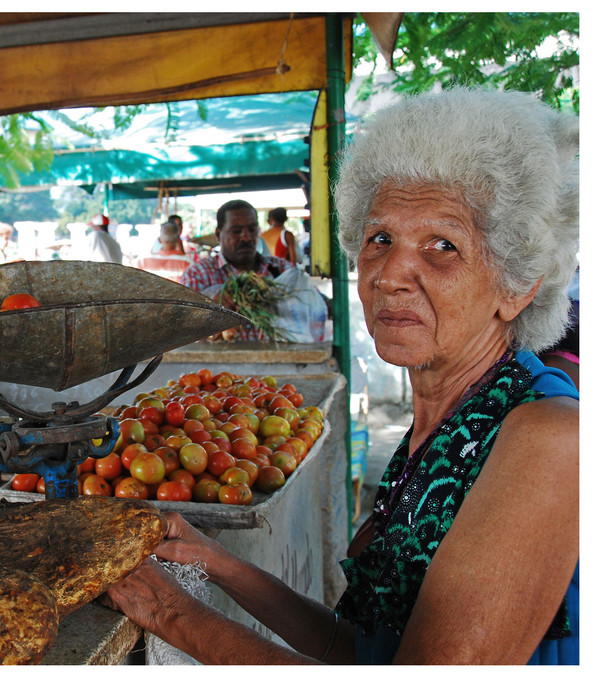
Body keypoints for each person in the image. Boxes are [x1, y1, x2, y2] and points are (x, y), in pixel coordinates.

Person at [105, 88, 579, 664]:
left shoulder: (549, 438)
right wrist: (215, 560)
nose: (392, 273)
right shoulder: (446, 423)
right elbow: (358, 649)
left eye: (442, 246)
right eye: (380, 239)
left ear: (517, 285)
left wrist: (170, 613)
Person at [179, 199, 293, 341]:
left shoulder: (282, 270)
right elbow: (180, 325)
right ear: (218, 235)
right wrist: (208, 307)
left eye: (252, 230)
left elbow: (314, 307)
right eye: (236, 231)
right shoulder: (198, 274)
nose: (246, 237)